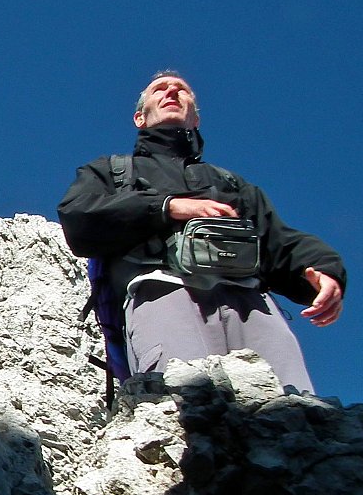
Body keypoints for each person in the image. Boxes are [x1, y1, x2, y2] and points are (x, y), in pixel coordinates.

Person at [57, 71, 345, 392]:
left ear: (195, 117)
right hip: (162, 293)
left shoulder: (232, 185)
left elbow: (279, 241)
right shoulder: (111, 171)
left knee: (294, 407)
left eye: (182, 90)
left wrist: (324, 271)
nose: (171, 92)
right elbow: (78, 215)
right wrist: (167, 207)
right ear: (140, 117)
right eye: (159, 90)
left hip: (251, 301)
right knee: (184, 407)